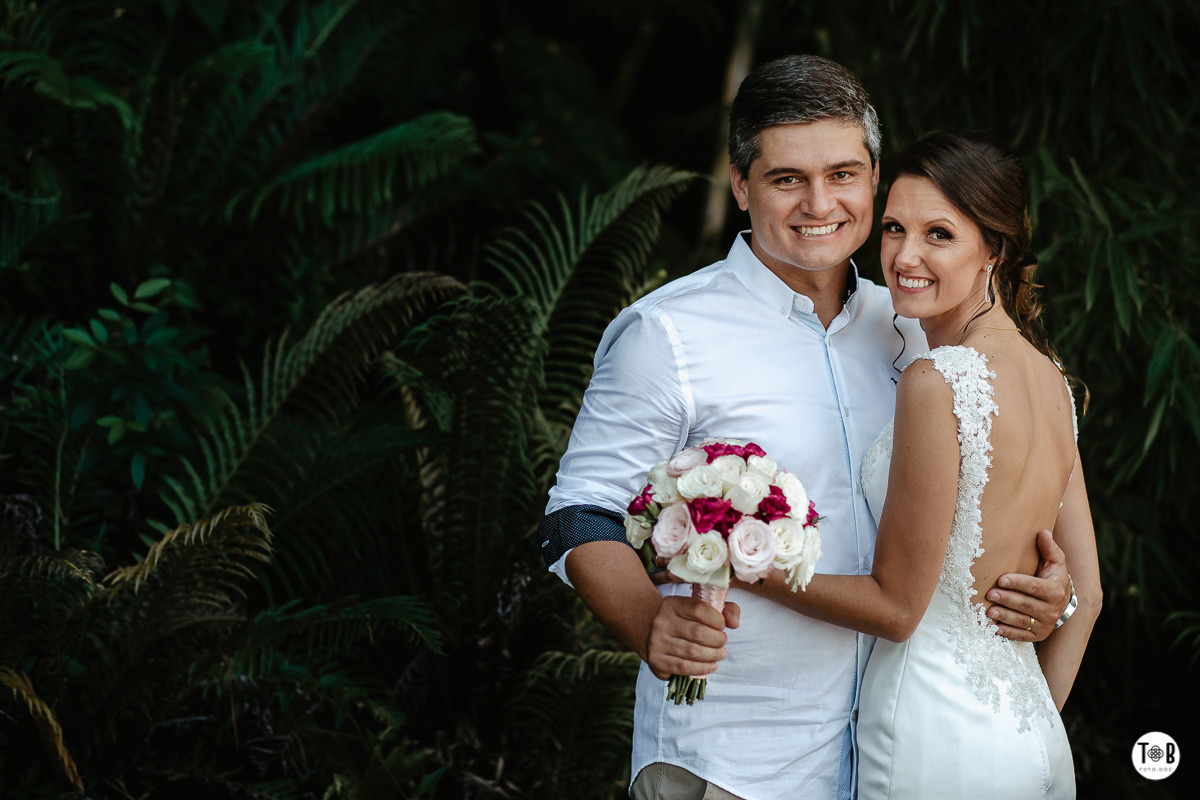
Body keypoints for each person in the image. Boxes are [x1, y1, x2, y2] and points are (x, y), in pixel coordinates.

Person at [538, 56, 1074, 800]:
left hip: (900, 754)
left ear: (875, 175)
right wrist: (645, 624)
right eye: (788, 178)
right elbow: (577, 513)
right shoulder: (666, 334)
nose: (820, 203)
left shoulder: (917, 327)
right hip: (733, 759)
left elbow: (986, 511)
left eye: (844, 175)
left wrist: (1047, 590)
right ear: (740, 183)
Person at [735, 131, 1102, 798]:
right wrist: (1029, 722)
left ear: (993, 250)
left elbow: (899, 609)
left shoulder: (936, 380)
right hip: (1032, 742)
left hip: (930, 728)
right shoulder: (1053, 382)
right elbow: (1088, 598)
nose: (905, 256)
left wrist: (749, 563)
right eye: (895, 228)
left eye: (939, 234)